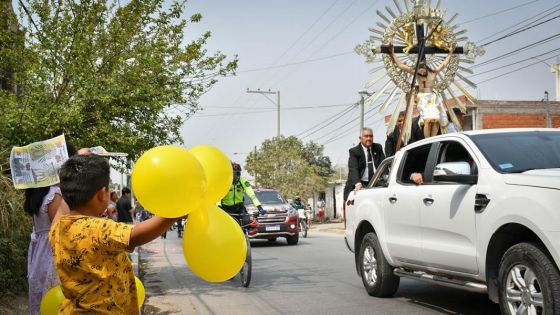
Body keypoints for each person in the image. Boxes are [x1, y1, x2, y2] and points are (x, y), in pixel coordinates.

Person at [49, 154, 177, 313]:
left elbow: (60, 212)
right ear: (102, 194)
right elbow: (135, 235)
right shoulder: (99, 228)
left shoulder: (57, 229)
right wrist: (174, 212)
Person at [23, 142, 76, 315]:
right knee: (54, 296)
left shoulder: (38, 194)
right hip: (52, 252)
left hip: (39, 252)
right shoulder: (55, 194)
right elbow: (62, 229)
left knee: (41, 296)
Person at [389, 44, 455, 138]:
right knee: (428, 120)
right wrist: (393, 54)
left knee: (435, 119)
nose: (421, 73)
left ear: (426, 68)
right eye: (419, 71)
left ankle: (432, 138)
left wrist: (451, 52)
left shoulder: (433, 73)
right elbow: (401, 66)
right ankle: (427, 139)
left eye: (423, 71)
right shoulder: (416, 73)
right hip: (423, 98)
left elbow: (444, 64)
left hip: (432, 97)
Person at [343, 128, 385, 200]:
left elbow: (384, 166)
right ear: (360, 138)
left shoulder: (378, 147)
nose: (369, 138)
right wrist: (357, 183)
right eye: (366, 136)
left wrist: (386, 178)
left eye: (371, 136)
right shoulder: (354, 151)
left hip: (377, 183)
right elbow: (353, 168)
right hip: (361, 183)